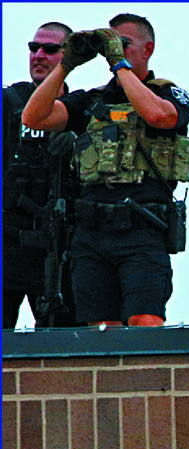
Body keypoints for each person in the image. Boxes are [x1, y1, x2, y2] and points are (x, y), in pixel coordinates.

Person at [22, 13, 189, 327]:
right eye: (111, 45)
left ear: (147, 49)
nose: (115, 50)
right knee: (101, 330)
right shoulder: (93, 100)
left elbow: (159, 116)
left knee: (144, 322)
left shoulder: (168, 93)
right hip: (92, 233)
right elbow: (33, 117)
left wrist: (120, 65)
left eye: (124, 44)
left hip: (142, 228)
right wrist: (66, 65)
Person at [3, 21, 79, 329]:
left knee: (65, 345)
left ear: (68, 56)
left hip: (58, 247)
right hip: (8, 242)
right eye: (34, 48)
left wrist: (79, 142)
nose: (39, 55)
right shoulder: (8, 103)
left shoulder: (80, 109)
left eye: (49, 49)